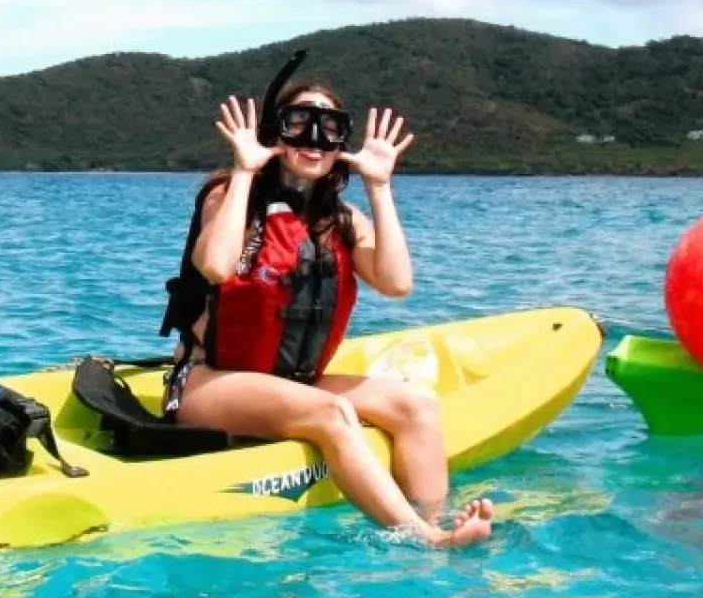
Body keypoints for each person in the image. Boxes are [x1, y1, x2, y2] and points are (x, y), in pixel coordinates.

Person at [158, 53, 493, 548]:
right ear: (276, 133)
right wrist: (246, 170)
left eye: (329, 127)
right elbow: (215, 266)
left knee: (417, 404)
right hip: (209, 382)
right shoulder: (231, 196)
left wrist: (380, 187)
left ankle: (436, 519)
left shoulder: (340, 218)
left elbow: (397, 284)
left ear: (341, 143)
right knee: (331, 414)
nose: (314, 140)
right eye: (299, 123)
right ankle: (426, 539)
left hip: (296, 382)